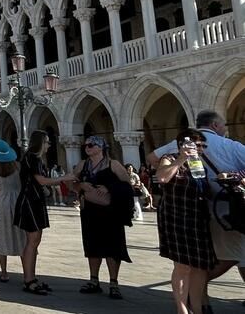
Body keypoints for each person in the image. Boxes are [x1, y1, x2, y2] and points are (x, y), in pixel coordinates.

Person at [151, 110, 245, 295]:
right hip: (227, 210)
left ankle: (199, 300)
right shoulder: (230, 145)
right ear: (215, 125)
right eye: (223, 125)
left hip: (196, 210)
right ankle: (194, 295)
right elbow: (161, 176)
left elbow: (151, 158)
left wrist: (177, 179)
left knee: (208, 258)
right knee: (235, 254)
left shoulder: (180, 142)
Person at [156, 129, 216, 314]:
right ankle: (182, 309)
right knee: (182, 266)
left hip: (198, 217)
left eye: (203, 146)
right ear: (183, 144)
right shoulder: (170, 157)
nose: (201, 149)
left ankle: (197, 309)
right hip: (176, 217)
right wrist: (181, 158)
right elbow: (162, 177)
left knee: (199, 266)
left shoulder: (200, 162)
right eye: (198, 145)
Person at [70, 135, 134, 300]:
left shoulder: (113, 164)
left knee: (113, 246)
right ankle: (94, 280)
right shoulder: (83, 165)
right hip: (90, 211)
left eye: (91, 145)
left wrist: (109, 187)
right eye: (86, 145)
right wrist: (80, 185)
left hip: (110, 212)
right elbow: (71, 182)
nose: (87, 147)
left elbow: (127, 185)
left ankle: (114, 283)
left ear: (101, 147)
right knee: (92, 245)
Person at [16, 131, 68, 295]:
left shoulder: (33, 159)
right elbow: (42, 181)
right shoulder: (32, 157)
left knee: (34, 241)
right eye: (46, 142)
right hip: (30, 202)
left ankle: (31, 277)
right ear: (40, 142)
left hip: (34, 201)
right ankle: (29, 280)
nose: (48, 145)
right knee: (32, 242)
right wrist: (64, 178)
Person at [0, 139, 25, 284]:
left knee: (2, 236)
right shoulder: (19, 167)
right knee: (22, 237)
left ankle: (4, 272)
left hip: (2, 203)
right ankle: (27, 272)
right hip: (18, 202)